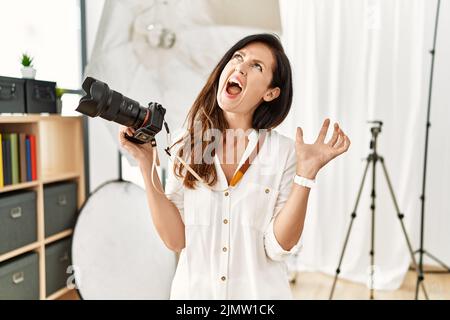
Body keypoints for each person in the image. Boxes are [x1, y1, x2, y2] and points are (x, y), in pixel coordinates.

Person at [119, 33, 350, 299]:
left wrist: (306, 175)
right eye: (237, 57)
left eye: (256, 66)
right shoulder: (185, 144)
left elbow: (278, 246)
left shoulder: (284, 152)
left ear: (270, 93)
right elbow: (176, 240)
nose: (240, 66)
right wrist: (146, 164)